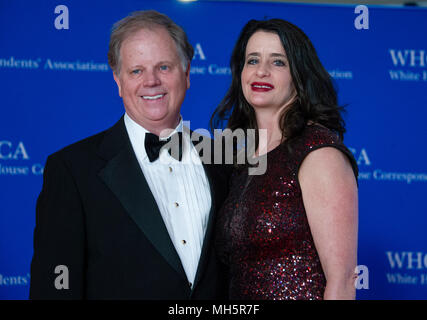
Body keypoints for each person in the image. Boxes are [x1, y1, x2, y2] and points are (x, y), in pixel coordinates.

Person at [30, 10, 229, 300]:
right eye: (137, 71)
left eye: (164, 67)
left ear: (186, 74)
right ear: (118, 80)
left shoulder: (222, 159)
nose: (151, 81)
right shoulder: (72, 170)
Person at [211, 18, 359, 300]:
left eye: (278, 62)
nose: (261, 71)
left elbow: (342, 283)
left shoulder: (318, 152)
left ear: (299, 75)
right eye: (252, 60)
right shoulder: (243, 162)